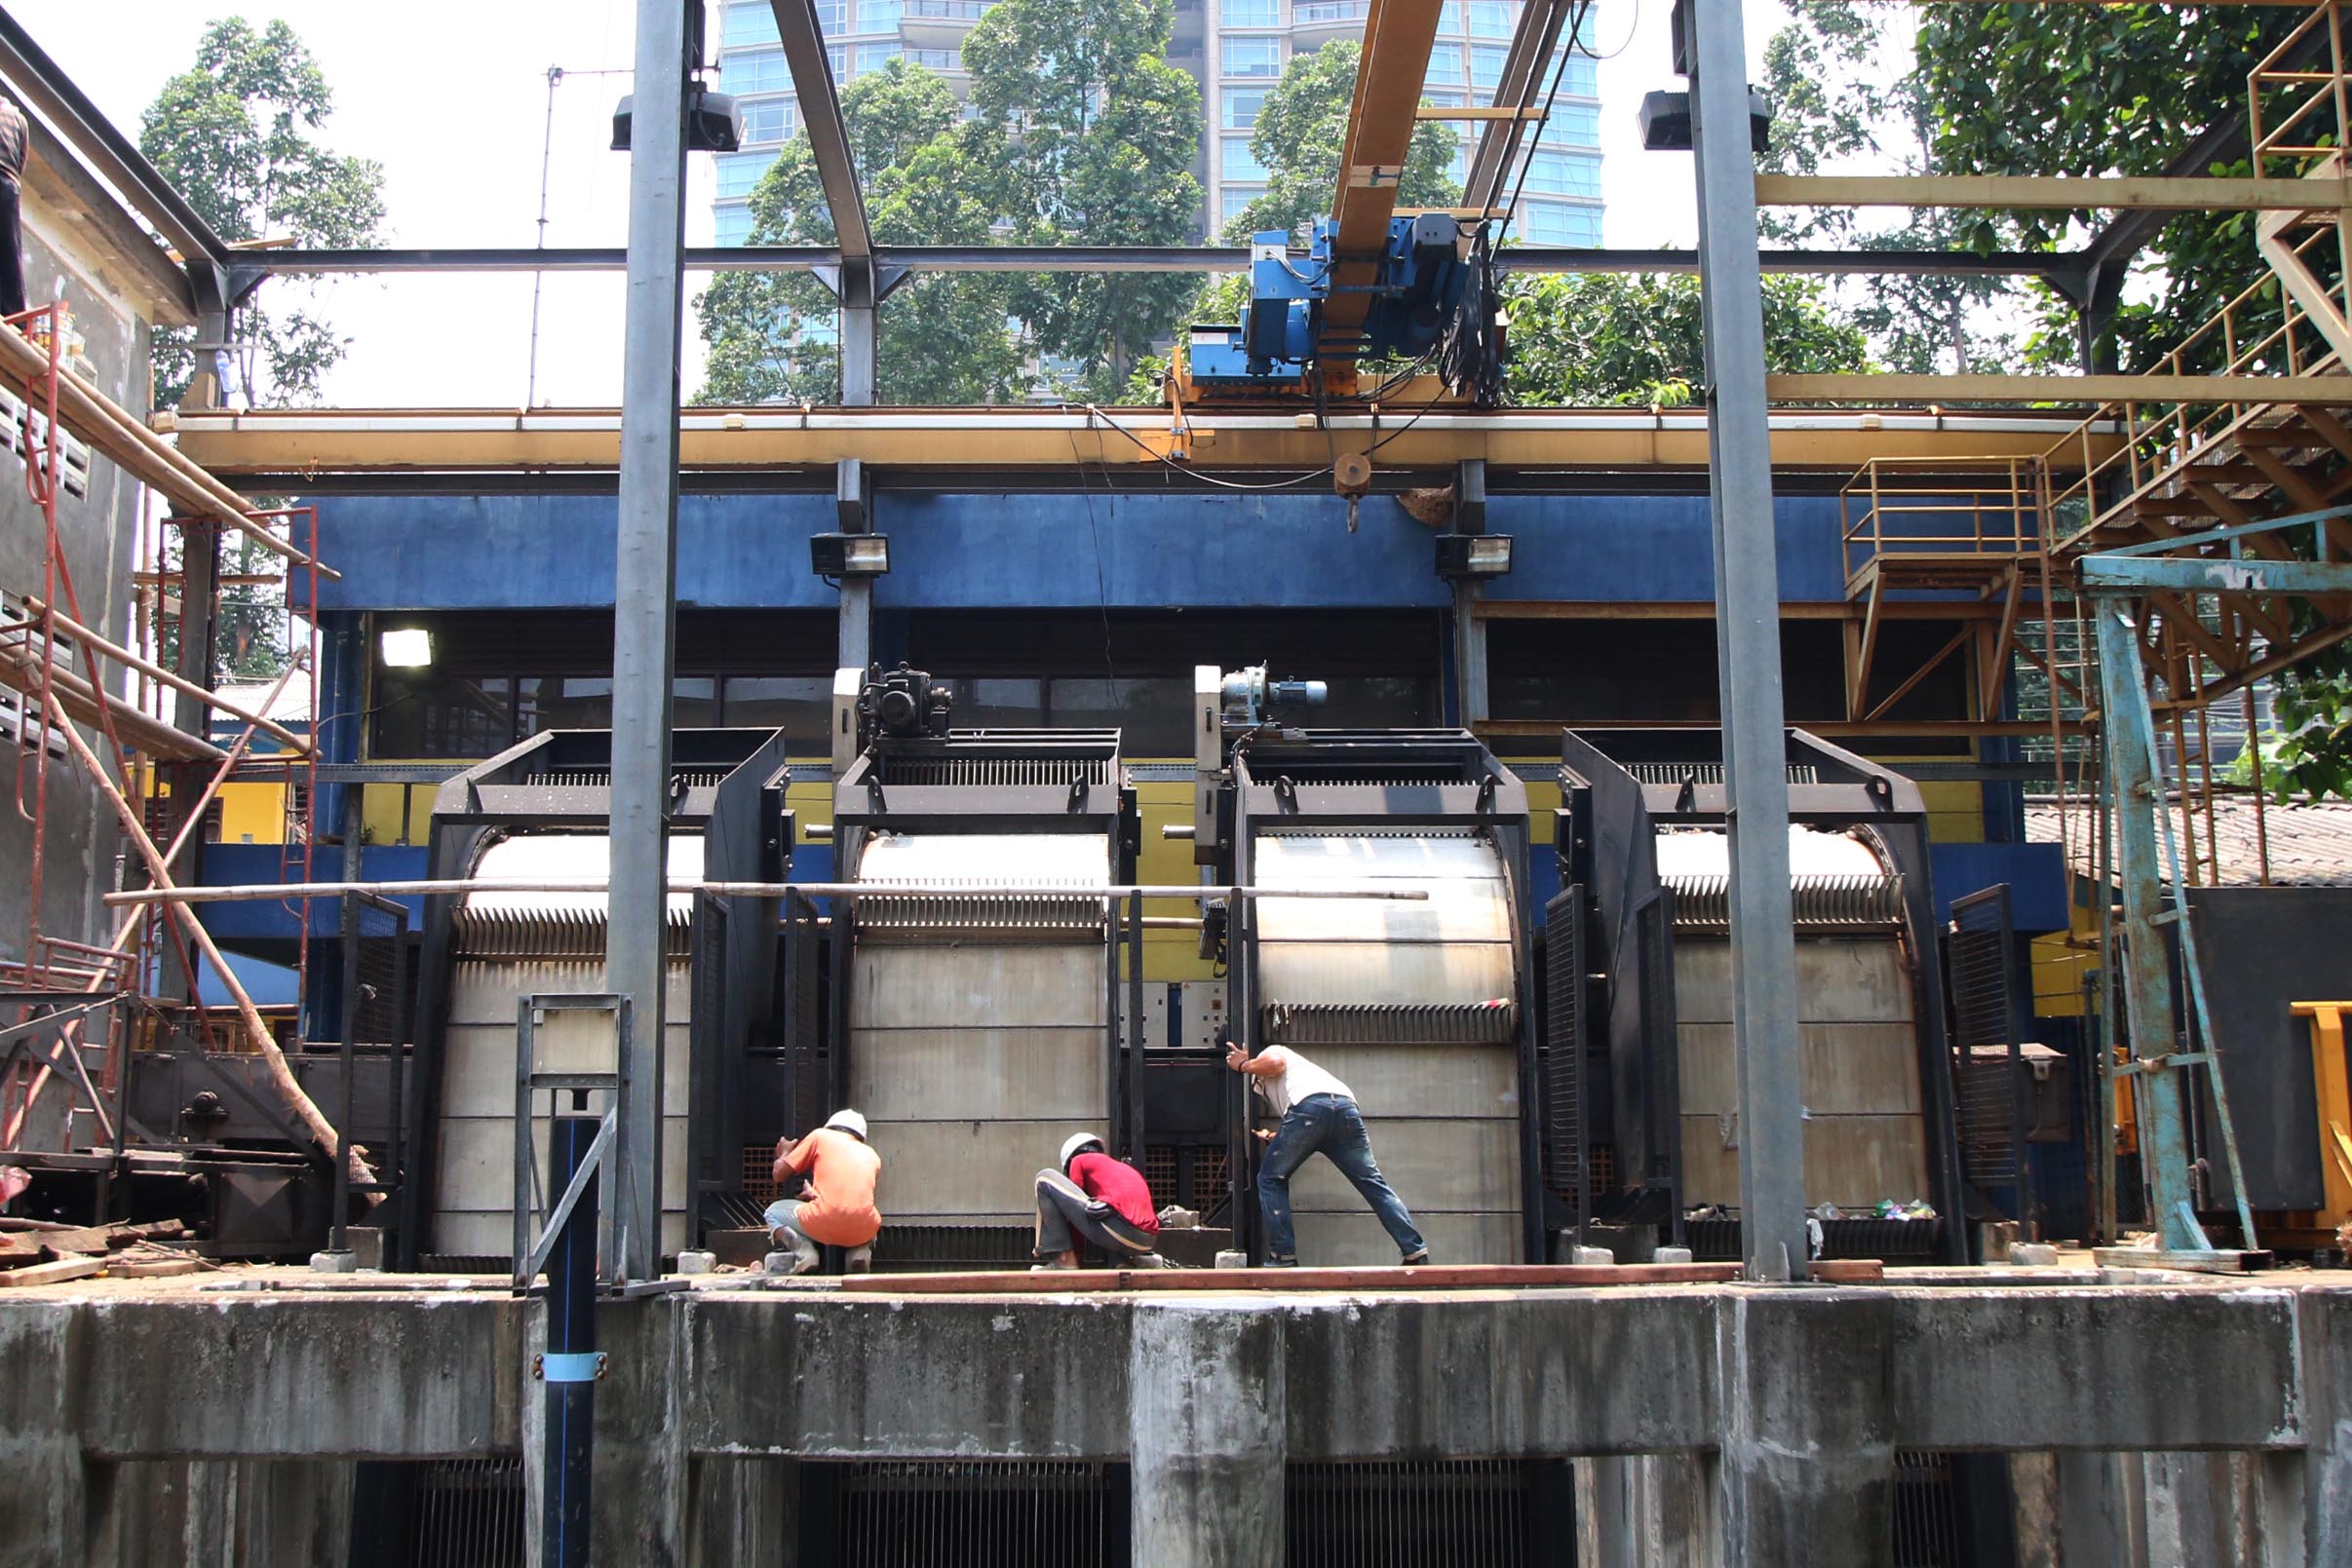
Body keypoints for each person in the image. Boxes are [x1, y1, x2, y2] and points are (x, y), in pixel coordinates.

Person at [1225, 1034, 1427, 1267]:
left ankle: (1283, 1257)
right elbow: (1310, 1125)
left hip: (1311, 1109)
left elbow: (1278, 1067)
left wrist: (1242, 1065)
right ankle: (1415, 1252)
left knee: (1270, 1179)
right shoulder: (1301, 1072)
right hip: (1345, 1109)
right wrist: (1274, 1137)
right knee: (1373, 1184)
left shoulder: (1270, 1052)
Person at [767, 1108, 881, 1275]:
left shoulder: (820, 1136)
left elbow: (779, 1175)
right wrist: (813, 1193)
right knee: (867, 1215)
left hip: (824, 1220)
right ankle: (859, 1255)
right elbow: (852, 1195)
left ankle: (806, 1254)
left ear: (830, 1126)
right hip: (863, 1229)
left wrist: (784, 1152)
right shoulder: (872, 1154)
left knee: (773, 1212)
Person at [1032, 1131, 1163, 1271]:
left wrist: (1073, 1255)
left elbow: (1074, 1213)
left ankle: (1064, 1259)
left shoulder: (1079, 1160)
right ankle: (1127, 1261)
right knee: (1103, 1207)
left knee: (1043, 1178)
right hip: (1147, 1241)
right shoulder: (1121, 1168)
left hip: (1120, 1231)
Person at [0, 94, 25, 319]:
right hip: (9, 185)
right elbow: (21, 162)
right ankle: (15, 315)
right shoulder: (18, 118)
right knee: (9, 248)